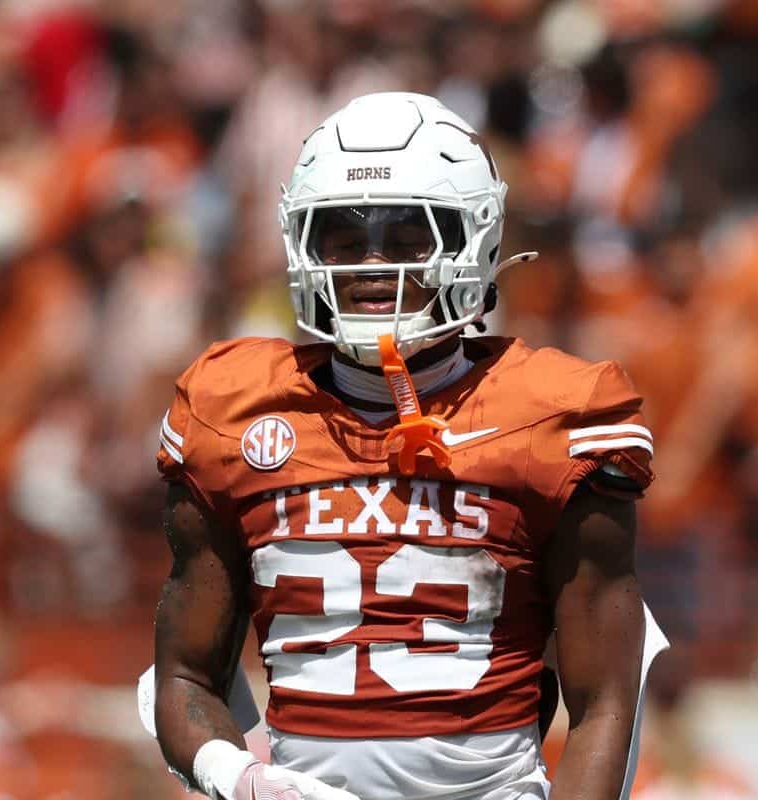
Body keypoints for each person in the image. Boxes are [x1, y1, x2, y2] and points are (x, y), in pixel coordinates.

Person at [145, 92, 668, 800]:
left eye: (406, 236)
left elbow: (608, 693)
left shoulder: (554, 416)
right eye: (344, 236)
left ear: (472, 239)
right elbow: (182, 678)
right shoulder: (233, 411)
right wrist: (241, 780)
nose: (371, 264)